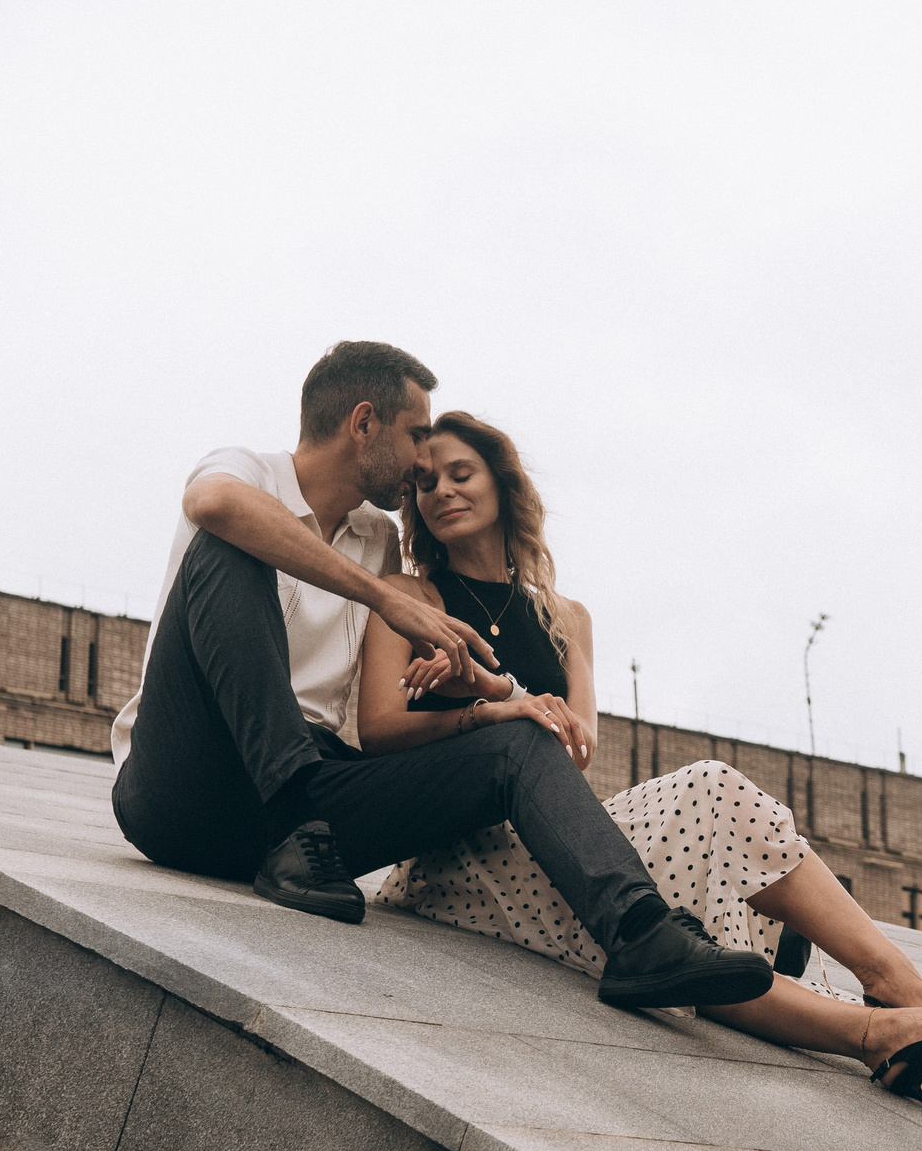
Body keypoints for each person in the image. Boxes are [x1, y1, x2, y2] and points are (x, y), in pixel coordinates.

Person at [354, 411, 922, 1113]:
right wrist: (481, 709)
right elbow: (378, 730)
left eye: (460, 473)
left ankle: (898, 1000)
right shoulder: (412, 598)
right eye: (424, 484)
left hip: (565, 834)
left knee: (709, 804)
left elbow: (578, 745)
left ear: (503, 485)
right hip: (464, 861)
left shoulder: (565, 617)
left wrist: (512, 694)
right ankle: (886, 1022)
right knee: (689, 867)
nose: (441, 492)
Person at [109, 341, 778, 1012]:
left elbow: (386, 723)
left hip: (313, 816)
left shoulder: (378, 538)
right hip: (183, 783)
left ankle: (642, 933)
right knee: (229, 538)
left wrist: (481, 697)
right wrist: (383, 597)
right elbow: (216, 502)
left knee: (518, 739)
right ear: (363, 423)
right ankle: (289, 819)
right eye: (416, 435)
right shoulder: (246, 470)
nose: (420, 461)